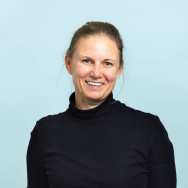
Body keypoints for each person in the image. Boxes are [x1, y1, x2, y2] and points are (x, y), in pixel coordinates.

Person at [26, 21, 177, 188]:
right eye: (87, 61)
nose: (96, 73)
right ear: (69, 63)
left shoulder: (149, 130)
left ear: (119, 69)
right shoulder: (45, 133)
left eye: (107, 63)